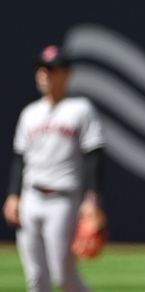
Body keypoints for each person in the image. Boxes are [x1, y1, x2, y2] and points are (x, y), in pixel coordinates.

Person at [3, 45, 106, 292]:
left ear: (66, 74)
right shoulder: (29, 113)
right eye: (41, 69)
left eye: (51, 69)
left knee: (64, 276)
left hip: (63, 200)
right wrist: (13, 194)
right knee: (36, 278)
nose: (44, 74)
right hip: (31, 197)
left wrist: (91, 200)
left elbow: (95, 155)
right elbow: (20, 158)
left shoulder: (81, 109)